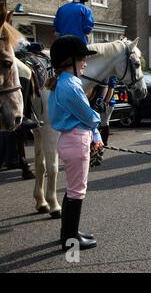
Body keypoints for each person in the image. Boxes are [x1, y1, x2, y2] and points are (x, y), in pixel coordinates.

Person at [47, 35, 102, 251]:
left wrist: (94, 132)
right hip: (77, 140)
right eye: (81, 59)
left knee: (72, 189)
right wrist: (97, 122)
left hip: (71, 139)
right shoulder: (71, 86)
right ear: (69, 62)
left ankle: (69, 233)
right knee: (77, 191)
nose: (85, 63)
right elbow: (89, 117)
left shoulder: (62, 82)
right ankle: (70, 242)